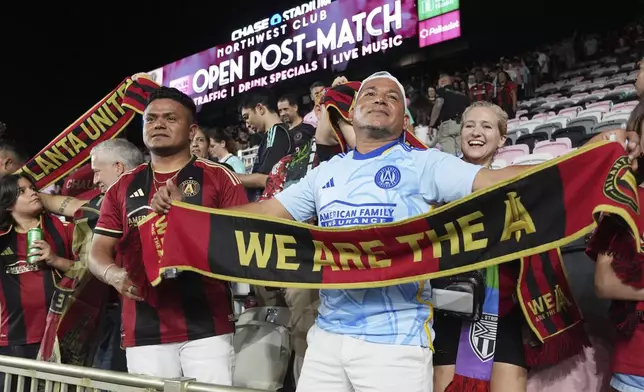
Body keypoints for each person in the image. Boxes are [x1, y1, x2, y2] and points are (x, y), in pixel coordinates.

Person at [152, 71, 551, 392]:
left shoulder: (425, 164)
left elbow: (490, 180)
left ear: (404, 118)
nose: (379, 99)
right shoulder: (327, 172)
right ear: (353, 114)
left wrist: (585, 159)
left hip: (394, 341)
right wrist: (191, 213)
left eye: (391, 97)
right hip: (327, 336)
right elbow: (270, 211)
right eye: (370, 94)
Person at [89, 87, 248, 384]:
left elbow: (242, 240)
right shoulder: (122, 187)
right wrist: (113, 275)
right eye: (151, 119)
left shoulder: (219, 177)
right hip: (144, 327)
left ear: (192, 130)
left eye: (170, 118)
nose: (158, 124)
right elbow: (97, 251)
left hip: (207, 325)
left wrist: (187, 217)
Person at [0, 174, 76, 389]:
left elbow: (89, 272)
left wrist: (56, 260)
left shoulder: (63, 228)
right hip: (15, 340)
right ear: (7, 204)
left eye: (32, 187)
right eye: (22, 191)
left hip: (63, 339)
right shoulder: (2, 238)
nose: (33, 192)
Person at [238, 88, 295, 201]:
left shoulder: (276, 132)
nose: (247, 124)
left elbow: (266, 178)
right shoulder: (272, 135)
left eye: (246, 117)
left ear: (260, 108)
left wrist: (227, 176)